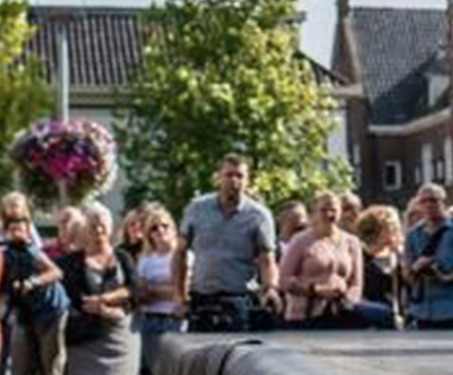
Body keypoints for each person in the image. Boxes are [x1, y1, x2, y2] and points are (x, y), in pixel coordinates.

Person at [173, 155, 279, 333]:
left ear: (248, 180)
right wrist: (178, 296)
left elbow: (267, 258)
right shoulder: (196, 209)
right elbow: (180, 253)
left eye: (240, 176)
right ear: (218, 178)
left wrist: (270, 289)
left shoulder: (259, 215)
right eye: (229, 175)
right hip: (202, 299)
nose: (234, 181)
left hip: (239, 299)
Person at [58, 206, 135, 375]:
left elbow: (134, 289)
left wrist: (105, 302)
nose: (99, 230)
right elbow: (68, 297)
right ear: (85, 230)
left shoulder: (123, 257)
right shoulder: (69, 263)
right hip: (83, 339)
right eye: (93, 226)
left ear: (111, 228)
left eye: (103, 225)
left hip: (120, 336)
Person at [0, 196, 67, 375]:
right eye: (12, 230)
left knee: (50, 364)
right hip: (25, 313)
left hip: (50, 309)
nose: (16, 233)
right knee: (21, 364)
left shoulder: (31, 251)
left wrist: (33, 282)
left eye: (20, 229)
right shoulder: (3, 253)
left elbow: (56, 272)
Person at [400, 185, 453, 331]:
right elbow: (407, 276)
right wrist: (417, 267)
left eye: (433, 200)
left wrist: (447, 278)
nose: (428, 205)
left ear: (443, 202)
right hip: (422, 311)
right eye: (424, 201)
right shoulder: (413, 234)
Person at [277, 193, 362, 327]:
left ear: (340, 212)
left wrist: (347, 301)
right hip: (304, 316)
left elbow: (356, 284)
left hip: (340, 315)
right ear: (314, 213)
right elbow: (284, 281)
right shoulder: (300, 241)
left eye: (333, 210)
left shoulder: (352, 242)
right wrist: (315, 290)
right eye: (323, 210)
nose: (329, 214)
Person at [127, 206, 178, 372]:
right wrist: (166, 290)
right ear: (149, 234)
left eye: (164, 225)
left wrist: (153, 290)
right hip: (148, 320)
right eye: (154, 228)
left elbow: (182, 290)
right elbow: (140, 292)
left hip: (174, 320)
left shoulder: (183, 256)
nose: (160, 230)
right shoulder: (146, 259)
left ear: (172, 228)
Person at [350, 207, 400, 330]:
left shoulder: (395, 255)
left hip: (390, 317)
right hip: (367, 315)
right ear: (378, 230)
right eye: (391, 227)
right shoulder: (359, 255)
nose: (396, 231)